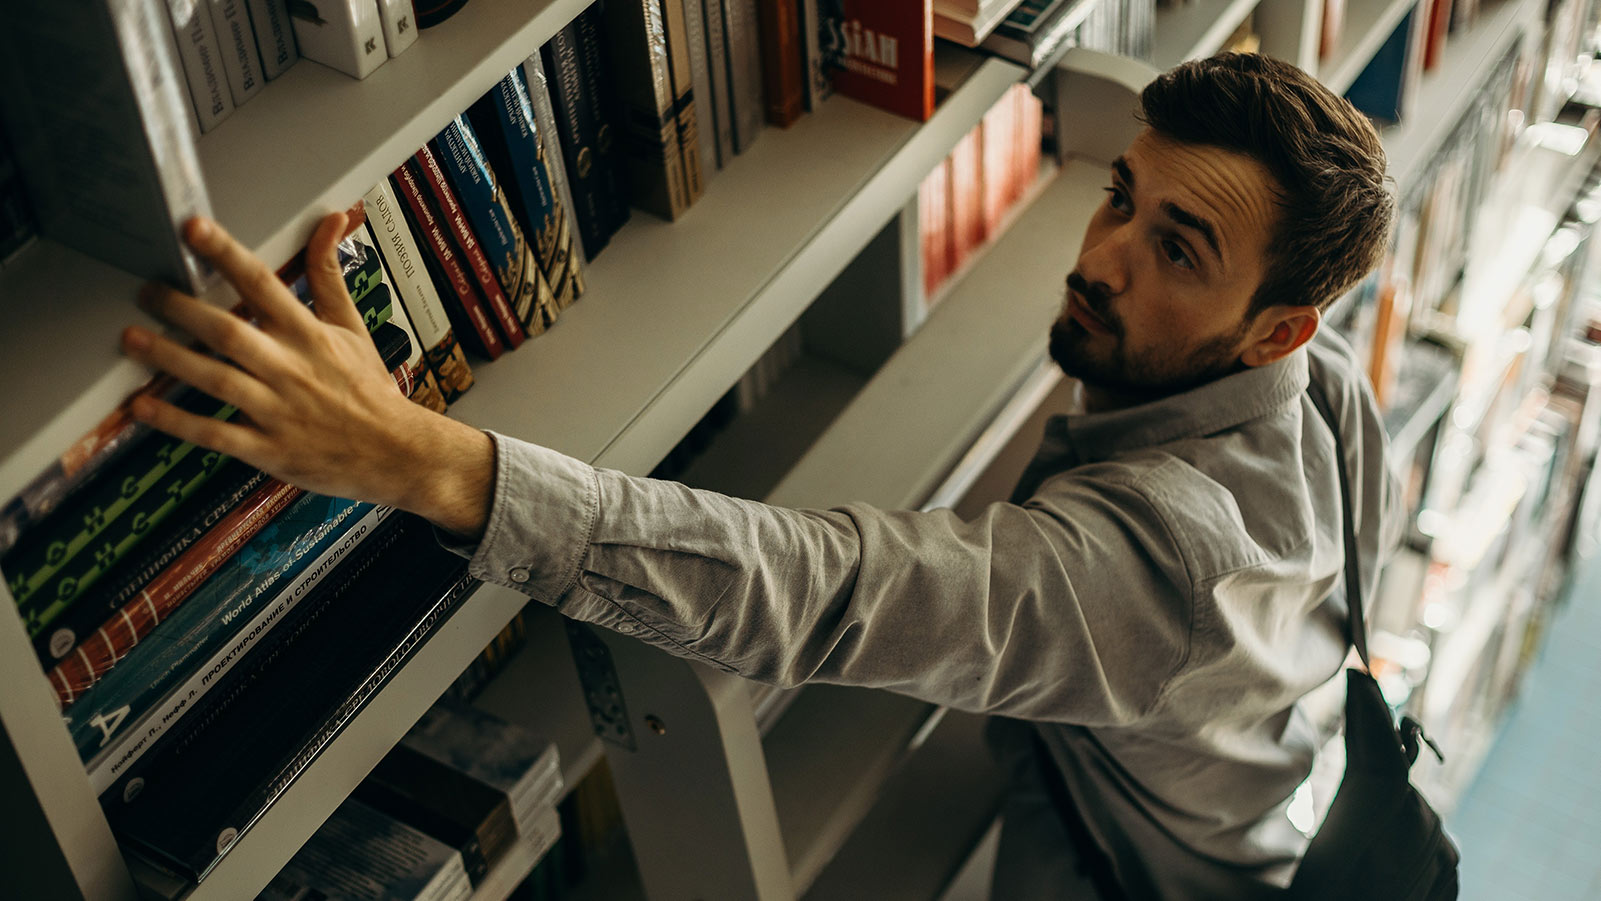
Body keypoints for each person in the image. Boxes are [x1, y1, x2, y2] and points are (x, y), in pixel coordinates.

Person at [120, 53, 1400, 899]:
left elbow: (828, 590)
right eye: (1120, 195)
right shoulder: (1325, 390)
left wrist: (415, 455)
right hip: (1248, 783)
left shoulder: (1159, 574)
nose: (1101, 257)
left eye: (1175, 248)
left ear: (1276, 324)